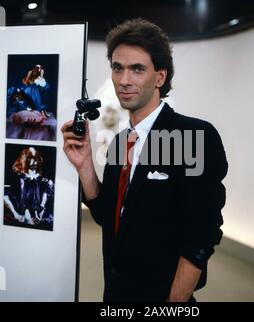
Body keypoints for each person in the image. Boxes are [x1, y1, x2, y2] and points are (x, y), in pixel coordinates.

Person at [61, 18, 228, 302]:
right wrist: (85, 164)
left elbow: (201, 235)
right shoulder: (121, 143)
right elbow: (107, 215)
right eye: (118, 68)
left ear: (160, 77)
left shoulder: (193, 135)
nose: (124, 80)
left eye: (137, 69)